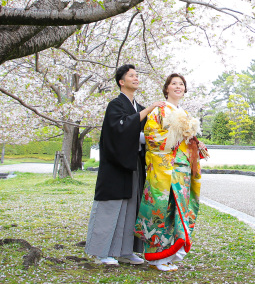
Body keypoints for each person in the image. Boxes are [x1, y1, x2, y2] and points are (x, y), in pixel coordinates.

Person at [85, 64, 164, 266]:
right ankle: (102, 252)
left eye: (137, 75)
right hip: (115, 165)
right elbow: (118, 131)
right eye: (132, 76)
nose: (136, 78)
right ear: (122, 81)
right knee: (111, 208)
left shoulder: (138, 107)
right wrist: (149, 110)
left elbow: (145, 133)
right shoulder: (116, 105)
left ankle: (126, 251)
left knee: (132, 208)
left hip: (133, 164)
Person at [135, 73, 208, 271]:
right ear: (166, 88)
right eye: (174, 84)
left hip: (182, 168)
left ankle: (170, 254)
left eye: (181, 84)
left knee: (178, 209)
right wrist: (174, 137)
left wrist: (194, 143)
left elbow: (186, 140)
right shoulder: (159, 110)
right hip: (164, 167)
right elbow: (151, 136)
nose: (178, 87)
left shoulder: (184, 113)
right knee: (162, 208)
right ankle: (157, 257)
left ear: (185, 89)